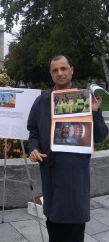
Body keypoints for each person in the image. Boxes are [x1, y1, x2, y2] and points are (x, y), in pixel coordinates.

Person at [27, 55, 108, 242]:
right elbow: (33, 131)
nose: (60, 73)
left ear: (71, 69)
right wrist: (33, 148)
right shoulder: (41, 102)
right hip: (50, 173)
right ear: (50, 74)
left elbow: (101, 136)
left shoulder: (85, 99)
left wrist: (95, 112)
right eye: (55, 70)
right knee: (53, 226)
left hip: (75, 175)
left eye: (63, 68)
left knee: (73, 229)